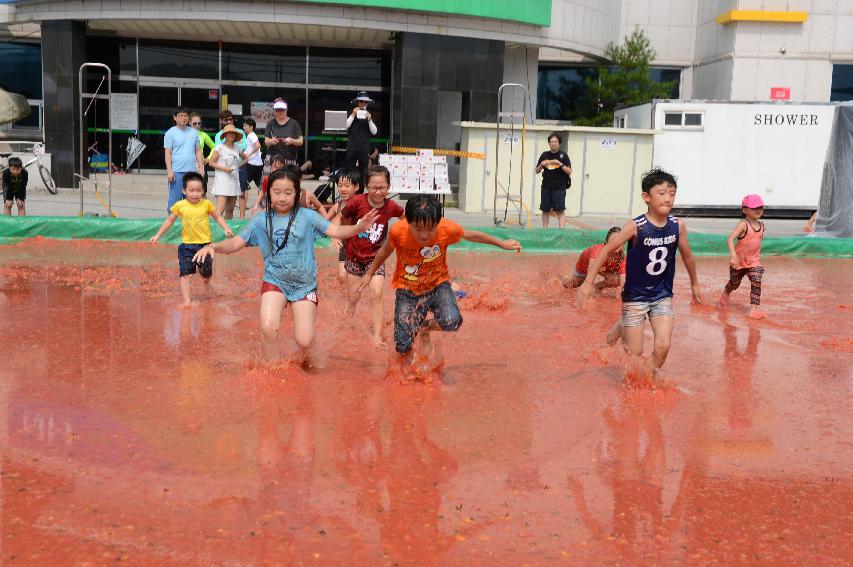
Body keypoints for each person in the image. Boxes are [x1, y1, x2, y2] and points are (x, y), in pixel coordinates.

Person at [191, 168, 379, 366]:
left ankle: (310, 359)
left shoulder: (308, 217)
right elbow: (235, 243)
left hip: (304, 285)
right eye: (276, 192)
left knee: (304, 340)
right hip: (275, 280)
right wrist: (214, 246)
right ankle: (274, 368)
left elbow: (336, 230)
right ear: (268, 193)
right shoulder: (260, 220)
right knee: (267, 326)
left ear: (297, 193)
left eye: (288, 192)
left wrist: (358, 228)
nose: (282, 197)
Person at [353, 195, 522, 372]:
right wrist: (369, 274)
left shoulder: (447, 229)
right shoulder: (397, 231)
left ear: (437, 223)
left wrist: (502, 243)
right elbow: (384, 251)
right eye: (417, 229)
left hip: (438, 286)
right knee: (402, 345)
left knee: (452, 321)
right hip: (407, 290)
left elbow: (474, 236)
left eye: (430, 229)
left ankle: (425, 327)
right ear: (408, 221)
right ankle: (406, 377)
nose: (424, 235)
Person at [576, 168, 703, 373]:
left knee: (662, 348)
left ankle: (643, 376)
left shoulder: (677, 226)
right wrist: (588, 283)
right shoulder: (636, 226)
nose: (668, 198)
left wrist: (695, 283)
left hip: (662, 295)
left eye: (672, 194)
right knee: (634, 353)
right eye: (662, 193)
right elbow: (607, 250)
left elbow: (687, 255)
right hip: (635, 298)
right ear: (646, 197)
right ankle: (624, 327)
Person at [149, 172, 233, 308]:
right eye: (191, 190)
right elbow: (170, 220)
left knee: (206, 274)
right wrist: (158, 235)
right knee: (185, 274)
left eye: (198, 191)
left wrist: (226, 228)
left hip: (205, 246)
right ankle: (187, 300)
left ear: (203, 191)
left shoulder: (207, 204)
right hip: (186, 246)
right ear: (184, 190)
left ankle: (207, 282)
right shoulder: (180, 205)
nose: (195, 194)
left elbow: (217, 217)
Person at [341, 166, 404, 346]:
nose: (378, 192)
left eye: (382, 187)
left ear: (389, 187)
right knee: (354, 297)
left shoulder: (391, 206)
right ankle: (348, 324)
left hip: (375, 259)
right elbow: (340, 218)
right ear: (367, 187)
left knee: (376, 293)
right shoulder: (357, 202)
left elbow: (405, 220)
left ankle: (377, 334)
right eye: (374, 187)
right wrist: (336, 236)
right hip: (353, 256)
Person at [719, 194, 766, 319]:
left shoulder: (762, 226)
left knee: (757, 280)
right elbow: (730, 239)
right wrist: (733, 256)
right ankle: (726, 291)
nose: (758, 210)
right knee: (735, 283)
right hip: (738, 262)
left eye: (760, 207)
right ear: (745, 210)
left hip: (754, 262)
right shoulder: (743, 224)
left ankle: (753, 310)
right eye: (754, 207)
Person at [164, 105, 204, 212]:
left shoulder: (194, 132)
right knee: (174, 204)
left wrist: (201, 169)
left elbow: (198, 151)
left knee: (192, 203)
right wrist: (169, 171)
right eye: (180, 115)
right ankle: (172, 228)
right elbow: (168, 153)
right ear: (175, 117)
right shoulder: (170, 133)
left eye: (185, 115)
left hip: (191, 173)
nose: (183, 118)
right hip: (176, 173)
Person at [564, 227, 626, 291]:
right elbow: (589, 278)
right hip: (585, 268)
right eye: (613, 240)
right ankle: (560, 281)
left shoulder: (621, 257)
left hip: (603, 269)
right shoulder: (597, 252)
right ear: (606, 242)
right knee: (574, 283)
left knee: (616, 280)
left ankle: (598, 286)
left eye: (620, 241)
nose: (617, 244)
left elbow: (623, 282)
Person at [327, 166, 360, 285]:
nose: (343, 189)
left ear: (356, 187)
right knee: (342, 276)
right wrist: (333, 236)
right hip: (345, 244)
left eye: (347, 185)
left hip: (360, 244)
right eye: (340, 185)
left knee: (357, 276)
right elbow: (325, 221)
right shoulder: (337, 206)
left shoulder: (361, 205)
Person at [208, 124, 246, 220]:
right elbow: (211, 163)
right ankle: (215, 231)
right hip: (222, 181)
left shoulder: (237, 147)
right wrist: (224, 169)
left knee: (230, 209)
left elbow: (246, 157)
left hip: (234, 181)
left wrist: (239, 164)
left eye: (233, 133)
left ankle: (227, 230)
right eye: (229, 133)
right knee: (220, 209)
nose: (231, 135)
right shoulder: (219, 147)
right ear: (225, 135)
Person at [535, 132, 572, 229]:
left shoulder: (563, 156)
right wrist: (541, 165)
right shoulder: (544, 155)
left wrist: (560, 164)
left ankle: (561, 232)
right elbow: (537, 171)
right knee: (545, 210)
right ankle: (545, 232)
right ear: (549, 143)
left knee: (560, 210)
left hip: (559, 188)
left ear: (559, 143)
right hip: (546, 187)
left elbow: (569, 171)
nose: (553, 143)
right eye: (551, 141)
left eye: (555, 141)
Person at [344, 91, 378, 184]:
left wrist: (370, 120)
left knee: (362, 172)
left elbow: (374, 132)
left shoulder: (369, 115)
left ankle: (360, 193)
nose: (363, 104)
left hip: (363, 148)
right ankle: (350, 192)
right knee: (350, 172)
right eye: (361, 101)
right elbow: (345, 126)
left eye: (365, 102)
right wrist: (353, 115)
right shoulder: (351, 113)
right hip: (352, 147)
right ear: (357, 102)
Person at [264, 98, 303, 171]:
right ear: (274, 111)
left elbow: (301, 141)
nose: (279, 112)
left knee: (289, 181)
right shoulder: (270, 123)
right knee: (271, 181)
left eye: (282, 109)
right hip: (273, 159)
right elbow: (266, 141)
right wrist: (271, 141)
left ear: (286, 109)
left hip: (289, 159)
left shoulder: (294, 123)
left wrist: (291, 141)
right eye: (277, 110)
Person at [242, 117, 263, 219]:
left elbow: (258, 145)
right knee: (261, 185)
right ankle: (263, 203)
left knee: (243, 184)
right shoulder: (251, 136)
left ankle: (243, 205)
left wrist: (249, 155)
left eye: (245, 125)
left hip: (252, 165)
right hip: (257, 164)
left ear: (251, 127)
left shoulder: (251, 135)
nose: (244, 127)